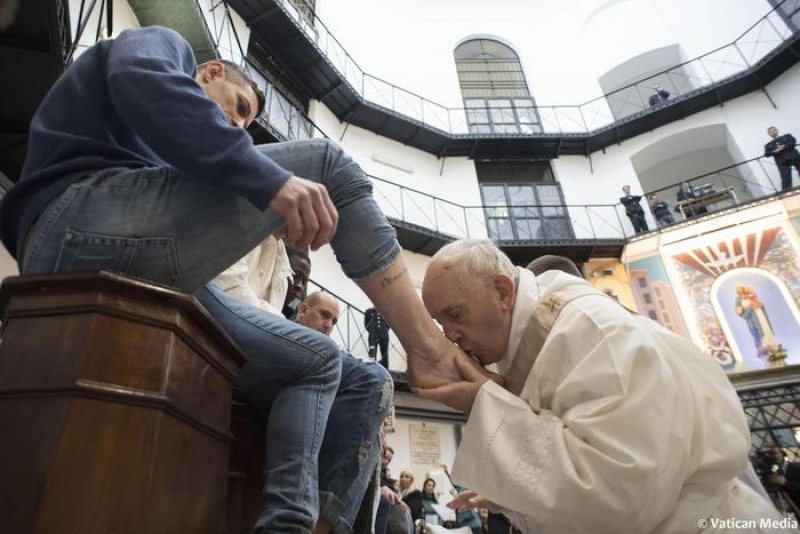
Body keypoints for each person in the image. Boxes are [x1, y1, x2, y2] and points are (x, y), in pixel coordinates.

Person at [0, 26, 463, 533]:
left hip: (147, 262)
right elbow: (142, 79)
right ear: (211, 73)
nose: (240, 127)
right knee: (326, 165)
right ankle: (428, 350)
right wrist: (268, 180)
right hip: (79, 218)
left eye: (246, 120)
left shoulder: (183, 157)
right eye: (240, 107)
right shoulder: (163, 45)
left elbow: (190, 176)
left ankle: (294, 525)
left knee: (327, 364)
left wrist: (251, 190)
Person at [417, 239, 790, 534]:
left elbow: (619, 497)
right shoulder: (545, 338)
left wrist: (484, 404)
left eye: (455, 314)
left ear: (502, 292)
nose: (449, 335)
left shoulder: (593, 333)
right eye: (439, 322)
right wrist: (508, 497)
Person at [211, 235, 394, 533]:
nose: (329, 325)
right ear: (303, 311)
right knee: (372, 380)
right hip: (233, 353)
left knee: (371, 435)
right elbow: (233, 301)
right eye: (325, 315)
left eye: (335, 321)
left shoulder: (280, 258)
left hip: (272, 369)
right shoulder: (243, 224)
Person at [764, 126, 800, 191]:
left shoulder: (787, 136)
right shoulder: (768, 145)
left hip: (794, 156)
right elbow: (767, 154)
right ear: (769, 134)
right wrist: (774, 151)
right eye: (771, 132)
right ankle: (787, 192)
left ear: (777, 131)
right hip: (781, 161)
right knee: (785, 177)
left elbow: (793, 142)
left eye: (774, 130)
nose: (773, 132)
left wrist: (784, 146)